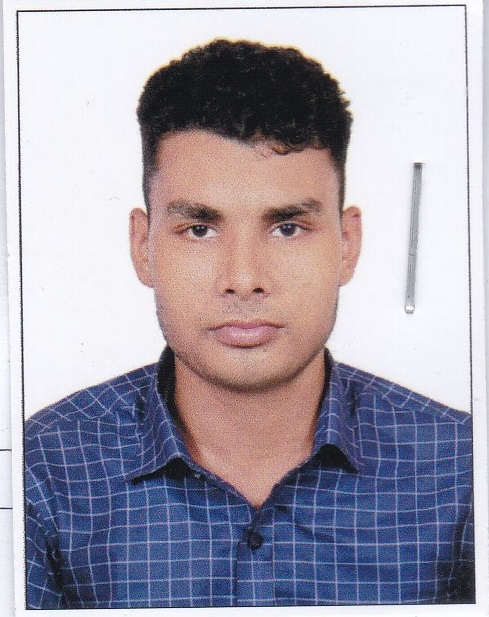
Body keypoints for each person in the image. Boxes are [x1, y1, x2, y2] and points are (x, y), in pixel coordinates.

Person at [25, 39, 474, 609]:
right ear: (143, 247)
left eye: (287, 228)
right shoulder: (44, 470)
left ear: (347, 244)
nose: (243, 279)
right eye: (200, 229)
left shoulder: (462, 468)